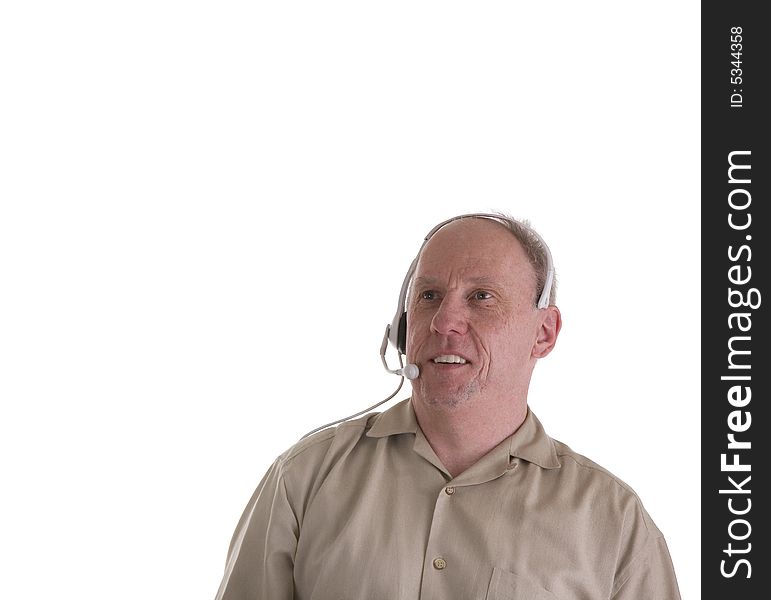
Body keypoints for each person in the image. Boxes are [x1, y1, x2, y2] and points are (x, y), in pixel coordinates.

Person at [214, 212, 681, 600]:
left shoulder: (614, 522)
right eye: (429, 296)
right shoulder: (303, 478)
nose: (444, 321)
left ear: (544, 333)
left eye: (482, 297)